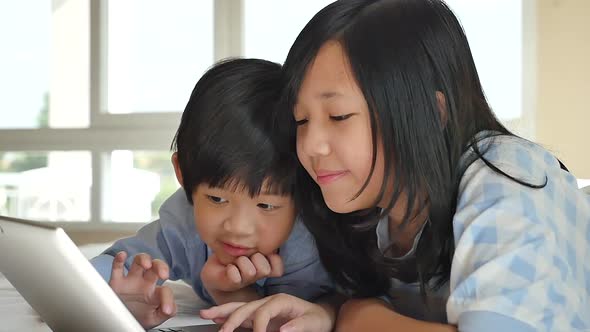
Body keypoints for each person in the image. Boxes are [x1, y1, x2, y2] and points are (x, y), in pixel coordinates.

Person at [203, 0, 590, 331]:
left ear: (429, 112)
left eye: (338, 116)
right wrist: (329, 313)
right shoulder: (375, 210)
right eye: (301, 120)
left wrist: (360, 317)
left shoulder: (510, 177)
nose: (311, 146)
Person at [90, 58, 332, 329]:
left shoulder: (316, 239)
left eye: (266, 205)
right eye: (217, 199)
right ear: (183, 174)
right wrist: (120, 297)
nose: (238, 228)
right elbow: (104, 269)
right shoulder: (184, 222)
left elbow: (356, 299)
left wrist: (326, 310)